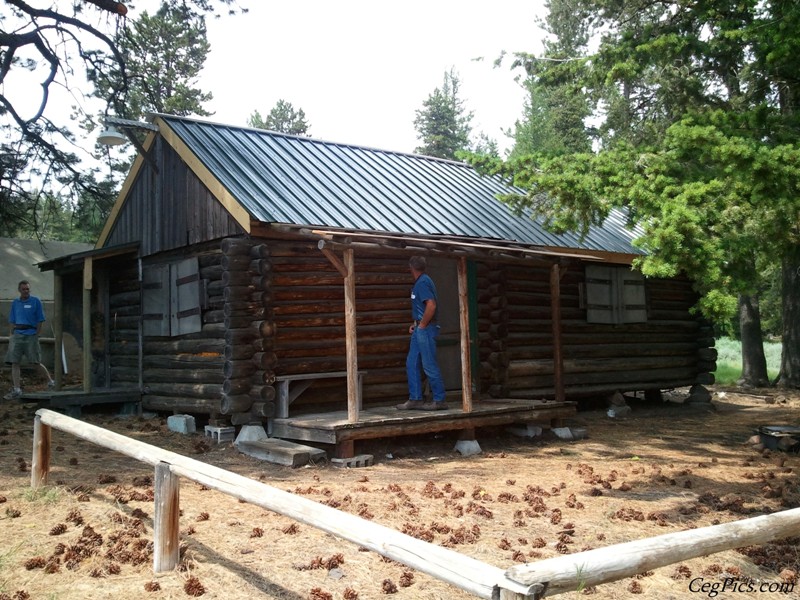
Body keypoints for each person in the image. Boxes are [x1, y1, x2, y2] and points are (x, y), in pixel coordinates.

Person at [397, 256, 447, 411]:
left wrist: (423, 325)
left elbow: (431, 306)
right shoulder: (422, 281)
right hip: (420, 329)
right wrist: (416, 325)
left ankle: (439, 400)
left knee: (429, 364)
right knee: (412, 362)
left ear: (411, 268)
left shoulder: (423, 282)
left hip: (425, 330)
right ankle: (415, 398)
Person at [4, 280, 54, 400]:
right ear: (19, 290)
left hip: (31, 334)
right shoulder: (15, 303)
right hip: (17, 334)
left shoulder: (36, 301)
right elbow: (12, 320)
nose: (26, 291)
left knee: (35, 362)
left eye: (27, 289)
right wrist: (12, 335)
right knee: (15, 362)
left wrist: (36, 334)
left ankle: (51, 382)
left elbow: (40, 319)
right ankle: (17, 389)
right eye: (24, 289)